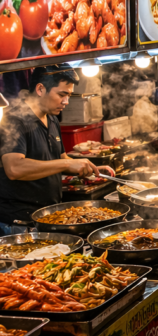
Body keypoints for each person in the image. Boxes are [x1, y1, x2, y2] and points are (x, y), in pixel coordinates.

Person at [0, 66, 114, 235]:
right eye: (62, 95)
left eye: (68, 95)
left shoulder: (52, 119)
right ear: (40, 89)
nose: (66, 101)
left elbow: (60, 159)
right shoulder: (14, 119)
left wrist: (90, 167)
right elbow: (14, 169)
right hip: (19, 225)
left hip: (48, 219)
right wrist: (67, 163)